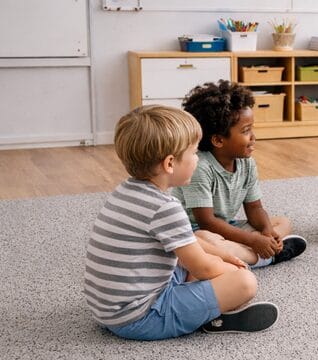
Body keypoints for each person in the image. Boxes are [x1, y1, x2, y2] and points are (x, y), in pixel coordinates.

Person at [83, 105, 279, 340]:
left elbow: (190, 244)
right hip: (141, 318)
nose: (198, 159)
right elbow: (204, 268)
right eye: (194, 153)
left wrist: (224, 256)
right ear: (169, 164)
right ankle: (209, 318)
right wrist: (233, 269)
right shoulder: (165, 208)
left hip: (109, 311)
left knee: (201, 247)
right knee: (244, 282)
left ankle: (201, 305)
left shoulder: (125, 191)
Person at [171, 80, 306, 268]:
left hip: (227, 225)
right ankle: (265, 257)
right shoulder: (200, 168)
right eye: (246, 131)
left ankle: (248, 251)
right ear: (218, 140)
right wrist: (252, 240)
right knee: (206, 240)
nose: (253, 137)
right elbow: (207, 222)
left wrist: (266, 231)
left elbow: (255, 209)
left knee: (282, 222)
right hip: (197, 231)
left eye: (252, 128)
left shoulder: (247, 163)